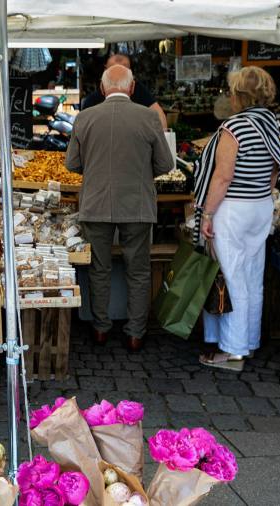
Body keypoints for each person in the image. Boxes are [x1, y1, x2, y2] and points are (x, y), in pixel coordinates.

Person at [65, 65, 173, 353]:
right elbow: (165, 164)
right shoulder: (149, 117)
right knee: (138, 270)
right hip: (137, 204)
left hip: (96, 203)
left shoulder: (85, 117)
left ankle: (100, 329)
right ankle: (135, 333)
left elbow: (72, 164)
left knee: (99, 269)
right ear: (132, 87)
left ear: (102, 89)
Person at [195, 66, 280, 372]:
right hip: (260, 205)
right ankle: (248, 340)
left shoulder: (234, 127)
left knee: (231, 277)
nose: (229, 96)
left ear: (240, 96)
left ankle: (233, 351)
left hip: (232, 208)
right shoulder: (271, 122)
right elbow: (276, 169)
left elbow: (222, 177)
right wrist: (261, 191)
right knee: (251, 276)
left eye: (231, 91)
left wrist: (207, 213)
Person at [81, 54, 168, 130]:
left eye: (121, 71)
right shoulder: (92, 100)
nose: (117, 75)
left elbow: (159, 115)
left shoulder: (138, 90)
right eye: (114, 71)